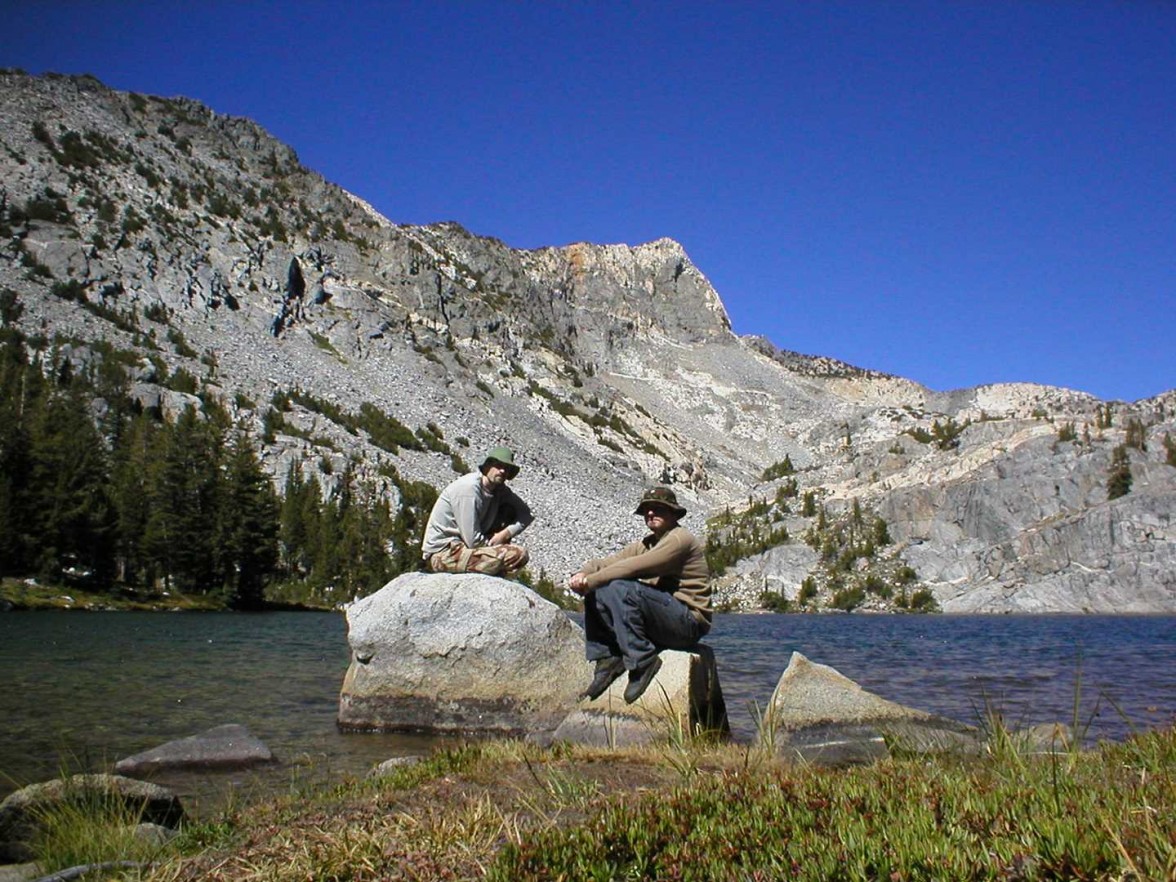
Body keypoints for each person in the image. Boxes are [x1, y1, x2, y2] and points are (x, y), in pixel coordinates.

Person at [569, 485, 712, 703]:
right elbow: (608, 563)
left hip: (688, 623)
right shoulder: (646, 543)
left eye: (658, 509)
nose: (650, 513)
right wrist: (583, 573)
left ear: (674, 513)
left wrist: (590, 581)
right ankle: (607, 658)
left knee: (617, 586)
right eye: (647, 510)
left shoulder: (680, 539)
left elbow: (635, 567)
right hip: (664, 621)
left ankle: (643, 660)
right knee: (601, 590)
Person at [421, 446, 533, 576]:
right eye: (498, 466)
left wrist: (505, 534)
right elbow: (472, 540)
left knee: (508, 511)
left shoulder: (499, 490)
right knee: (517, 554)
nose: (503, 471)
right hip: (444, 554)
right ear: (487, 466)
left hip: (465, 549)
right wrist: (493, 545)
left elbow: (526, 514)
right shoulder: (469, 489)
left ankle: (490, 569)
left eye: (507, 468)